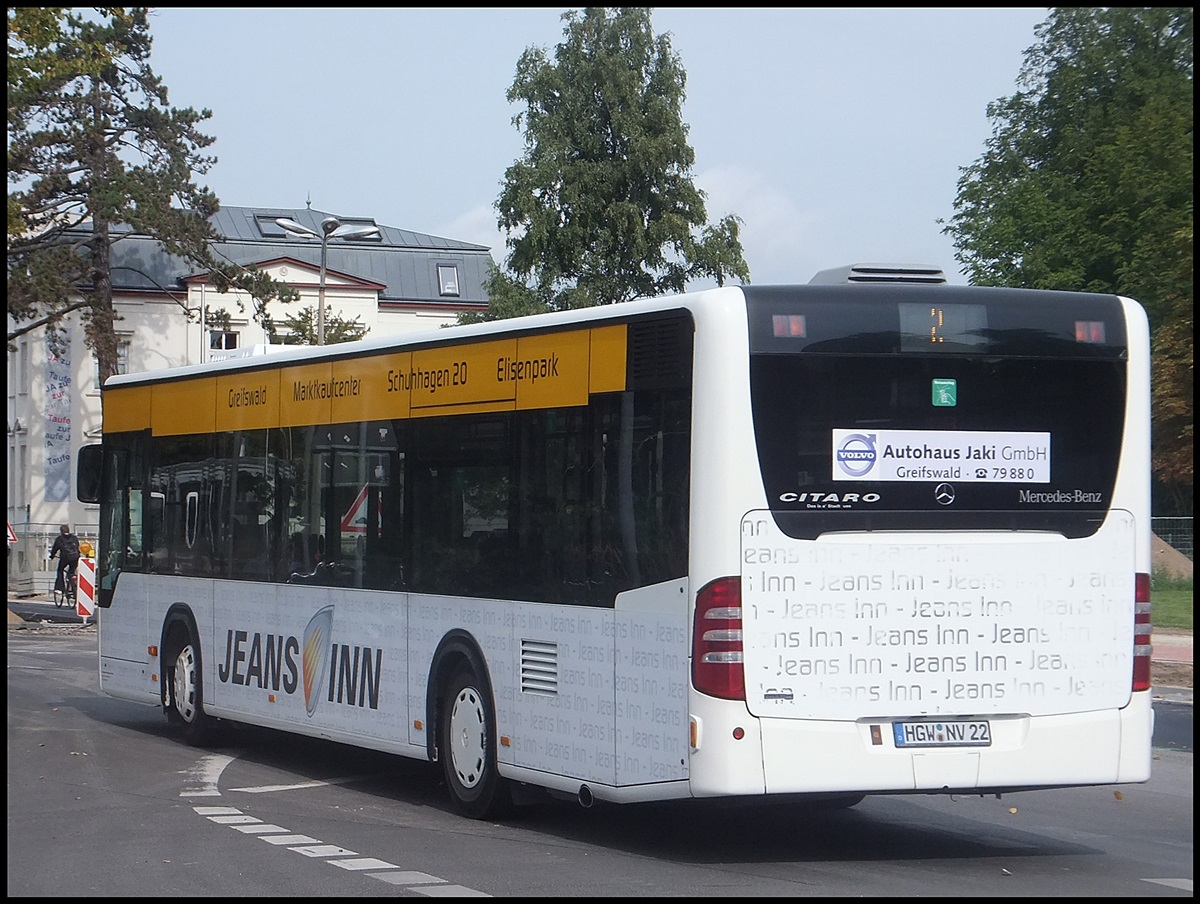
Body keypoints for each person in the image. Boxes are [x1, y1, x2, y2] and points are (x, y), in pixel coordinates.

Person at [49, 523, 81, 595]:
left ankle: (60, 588)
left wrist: (52, 556)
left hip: (65, 558)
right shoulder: (74, 538)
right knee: (71, 572)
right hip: (75, 558)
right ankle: (73, 587)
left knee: (60, 570)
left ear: (61, 531)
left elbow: (55, 549)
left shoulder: (59, 539)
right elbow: (77, 547)